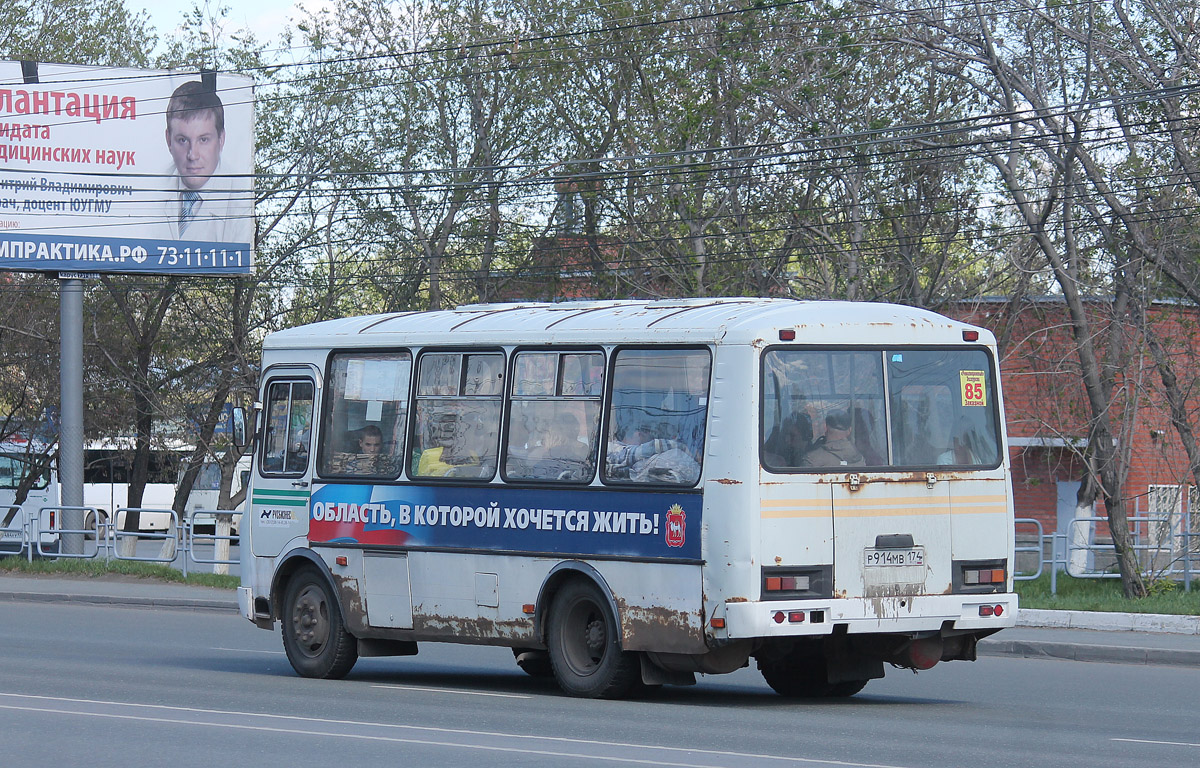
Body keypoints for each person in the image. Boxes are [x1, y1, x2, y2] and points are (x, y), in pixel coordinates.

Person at [161, 80, 252, 245]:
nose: (192, 155)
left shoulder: (242, 202)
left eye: (203, 140)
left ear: (221, 139)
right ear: (168, 140)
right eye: (182, 140)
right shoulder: (151, 186)